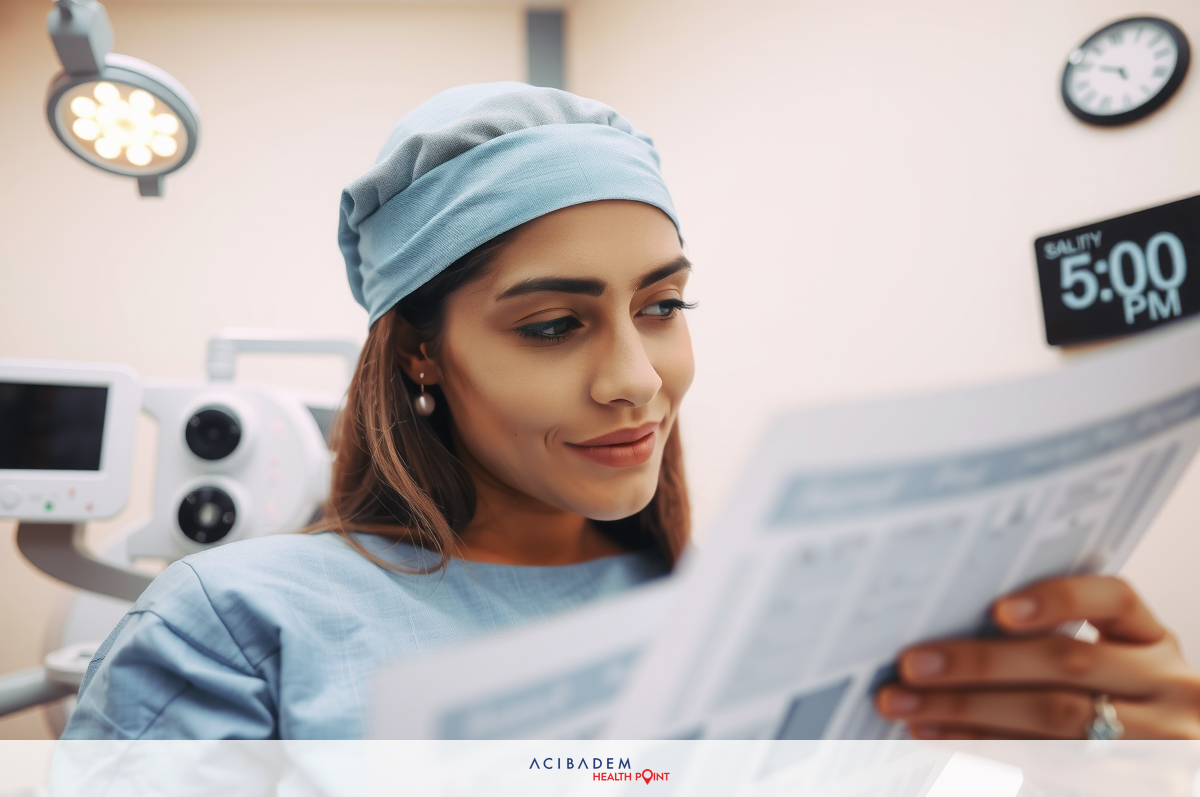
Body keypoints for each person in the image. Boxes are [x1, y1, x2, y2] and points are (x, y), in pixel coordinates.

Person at [62, 82, 1200, 741]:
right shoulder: (235, 620)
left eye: (662, 304)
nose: (636, 378)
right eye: (554, 324)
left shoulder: (773, 611)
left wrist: (1111, 756)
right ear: (422, 353)